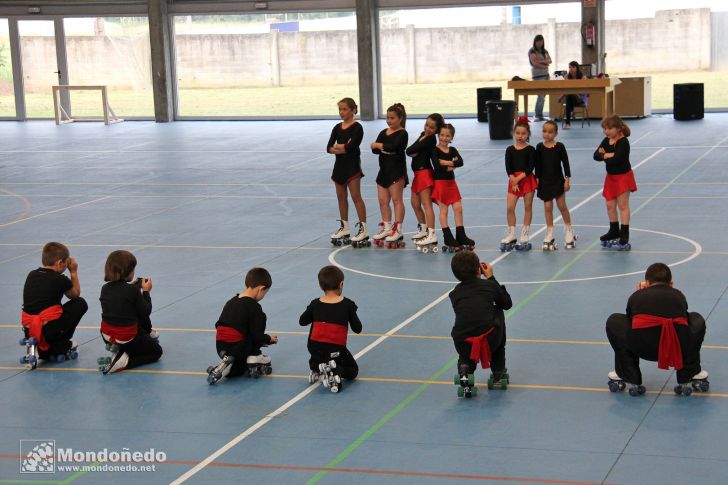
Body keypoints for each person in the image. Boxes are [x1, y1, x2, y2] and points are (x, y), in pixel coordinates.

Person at [606, 263, 708, 392]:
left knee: (614, 321)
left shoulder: (636, 296)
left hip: (642, 348)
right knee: (696, 319)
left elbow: (630, 318)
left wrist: (640, 293)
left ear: (647, 282)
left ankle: (628, 374)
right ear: (671, 283)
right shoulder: (679, 295)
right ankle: (690, 373)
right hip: (674, 347)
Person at [449, 251, 513, 387]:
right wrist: (491, 277)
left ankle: (465, 369)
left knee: (468, 329)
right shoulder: (489, 286)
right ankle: (498, 372)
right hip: (490, 340)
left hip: (462, 341)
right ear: (479, 269)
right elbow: (507, 303)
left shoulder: (454, 294)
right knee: (498, 313)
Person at [209, 267, 278, 383]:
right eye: (265, 293)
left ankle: (226, 365)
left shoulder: (231, 301)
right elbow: (257, 336)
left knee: (240, 337)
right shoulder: (254, 307)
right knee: (260, 319)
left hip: (220, 346)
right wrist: (268, 339)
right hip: (239, 347)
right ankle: (254, 356)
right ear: (261, 289)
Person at [299, 265, 362, 392]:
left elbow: (302, 321)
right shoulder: (348, 304)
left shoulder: (315, 303)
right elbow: (357, 328)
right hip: (336, 350)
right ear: (341, 284)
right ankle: (336, 369)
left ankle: (316, 367)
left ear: (320, 286)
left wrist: (313, 310)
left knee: (318, 344)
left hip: (314, 348)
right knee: (353, 371)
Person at [21, 242, 87, 361]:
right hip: (49, 330)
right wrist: (73, 272)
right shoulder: (60, 279)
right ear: (60, 263)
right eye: (66, 263)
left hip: (29, 329)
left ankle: (41, 346)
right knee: (80, 303)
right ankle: (61, 343)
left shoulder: (32, 274)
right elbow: (75, 294)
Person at [99, 250, 162, 374]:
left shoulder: (105, 288)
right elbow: (146, 311)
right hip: (126, 337)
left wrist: (132, 288)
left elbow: (120, 301)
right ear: (128, 272)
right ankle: (125, 361)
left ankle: (119, 349)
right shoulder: (132, 291)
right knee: (156, 352)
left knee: (129, 310)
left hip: (106, 334)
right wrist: (146, 292)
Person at [327, 97, 368, 245]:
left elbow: (350, 148)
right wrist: (341, 148)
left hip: (352, 167)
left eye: (344, 109)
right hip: (339, 167)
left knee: (356, 196)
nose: (341, 112)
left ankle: (363, 228)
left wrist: (339, 147)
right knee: (341, 197)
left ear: (352, 110)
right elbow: (328, 147)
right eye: (340, 109)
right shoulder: (337, 128)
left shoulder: (357, 128)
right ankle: (344, 227)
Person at [593, 115, 637, 249]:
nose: (606, 131)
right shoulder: (606, 141)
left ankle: (624, 233)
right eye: (605, 128)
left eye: (610, 128)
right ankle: (613, 230)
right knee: (610, 205)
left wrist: (605, 155)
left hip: (623, 176)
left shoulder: (623, 142)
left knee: (622, 205)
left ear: (619, 128)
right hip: (611, 177)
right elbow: (595, 156)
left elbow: (618, 159)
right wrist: (607, 155)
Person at [430, 123, 475, 250]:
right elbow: (437, 166)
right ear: (439, 135)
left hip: (451, 184)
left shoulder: (453, 150)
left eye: (447, 136)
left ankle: (461, 235)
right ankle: (448, 237)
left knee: (458, 208)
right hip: (440, 183)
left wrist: (445, 162)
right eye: (442, 135)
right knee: (444, 210)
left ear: (451, 138)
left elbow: (460, 162)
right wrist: (451, 165)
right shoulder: (435, 150)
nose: (444, 138)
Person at [371, 103, 409, 247]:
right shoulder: (383, 132)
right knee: (383, 201)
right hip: (383, 171)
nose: (389, 120)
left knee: (396, 200)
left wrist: (379, 146)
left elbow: (393, 147)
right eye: (387, 118)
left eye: (392, 118)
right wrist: (380, 147)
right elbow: (375, 150)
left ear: (400, 118)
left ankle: (397, 229)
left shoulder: (402, 133)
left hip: (396, 171)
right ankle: (387, 228)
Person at [406, 113, 444, 247]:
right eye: (427, 125)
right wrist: (414, 150)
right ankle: (423, 229)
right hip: (418, 174)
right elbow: (410, 151)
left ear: (437, 130)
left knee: (426, 204)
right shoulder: (424, 135)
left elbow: (410, 150)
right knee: (415, 203)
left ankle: (432, 234)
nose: (428, 129)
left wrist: (415, 150)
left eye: (432, 128)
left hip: (424, 173)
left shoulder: (430, 139)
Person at [535, 120, 575, 250]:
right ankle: (550, 232)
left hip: (558, 180)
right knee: (547, 207)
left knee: (561, 205)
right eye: (544, 131)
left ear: (556, 134)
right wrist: (537, 179)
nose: (547, 134)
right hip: (544, 181)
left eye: (550, 132)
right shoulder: (539, 147)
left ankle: (569, 230)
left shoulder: (560, 146)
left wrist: (567, 180)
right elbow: (538, 165)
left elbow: (566, 164)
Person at [501, 119, 538, 251]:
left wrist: (518, 179)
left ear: (528, 134)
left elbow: (530, 167)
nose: (520, 136)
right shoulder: (509, 149)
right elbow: (508, 167)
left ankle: (525, 233)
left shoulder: (530, 149)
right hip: (513, 180)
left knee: (527, 206)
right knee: (510, 208)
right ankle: (511, 234)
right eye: (518, 133)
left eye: (523, 133)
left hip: (526, 179)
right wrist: (513, 180)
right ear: (514, 133)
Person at [528, 34, 552, 121]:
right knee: (540, 95)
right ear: (535, 42)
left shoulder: (544, 51)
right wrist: (544, 65)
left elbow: (550, 60)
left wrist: (541, 62)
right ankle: (538, 115)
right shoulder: (532, 51)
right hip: (538, 76)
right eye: (538, 41)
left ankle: (540, 114)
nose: (540, 43)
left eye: (541, 41)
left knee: (543, 95)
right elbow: (534, 63)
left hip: (546, 75)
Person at [562, 61, 588, 128]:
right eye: (569, 67)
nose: (570, 69)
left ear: (576, 68)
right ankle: (568, 122)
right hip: (571, 97)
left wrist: (575, 93)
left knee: (570, 95)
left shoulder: (583, 77)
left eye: (572, 67)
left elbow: (584, 90)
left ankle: (568, 122)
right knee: (570, 95)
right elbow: (566, 89)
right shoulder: (567, 76)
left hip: (580, 98)